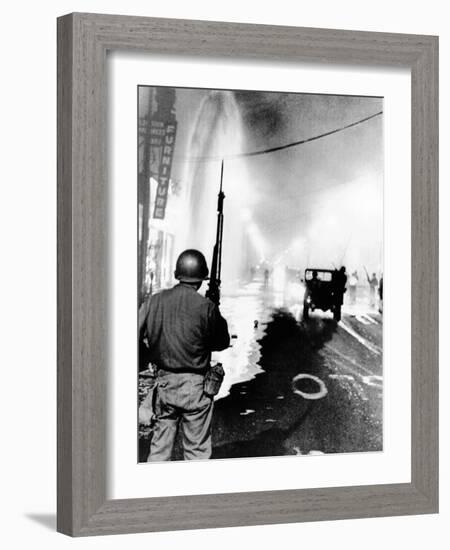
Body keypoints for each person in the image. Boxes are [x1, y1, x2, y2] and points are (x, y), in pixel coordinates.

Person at [140, 249, 230, 461]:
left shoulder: (155, 301)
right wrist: (214, 309)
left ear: (178, 273)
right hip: (195, 390)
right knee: (196, 453)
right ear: (200, 280)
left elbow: (132, 336)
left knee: (159, 451)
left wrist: (152, 356)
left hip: (163, 386)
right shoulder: (206, 307)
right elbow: (221, 342)